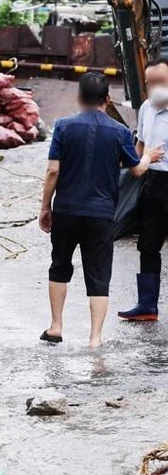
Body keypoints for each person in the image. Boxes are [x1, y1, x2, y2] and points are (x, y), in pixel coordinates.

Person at [40, 72, 163, 347]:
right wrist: (148, 156)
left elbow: (52, 171)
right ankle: (95, 338)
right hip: (101, 214)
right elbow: (137, 171)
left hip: (67, 210)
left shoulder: (62, 126)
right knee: (98, 273)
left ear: (79, 97)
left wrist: (45, 207)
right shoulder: (119, 132)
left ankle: (56, 326)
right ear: (108, 99)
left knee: (59, 266)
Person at [119, 59, 168, 321]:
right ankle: (147, 305)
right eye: (152, 83)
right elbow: (138, 146)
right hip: (153, 183)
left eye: (162, 81)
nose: (156, 87)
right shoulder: (147, 108)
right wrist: (131, 165)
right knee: (148, 244)